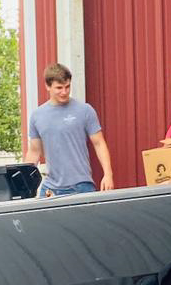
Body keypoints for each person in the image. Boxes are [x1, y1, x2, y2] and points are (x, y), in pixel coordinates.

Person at [26, 63, 115, 197]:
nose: (64, 92)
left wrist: (108, 175)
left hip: (81, 186)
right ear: (48, 86)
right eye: (59, 88)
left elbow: (99, 143)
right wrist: (26, 183)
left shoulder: (85, 110)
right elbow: (34, 151)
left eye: (67, 87)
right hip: (50, 189)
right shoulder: (37, 116)